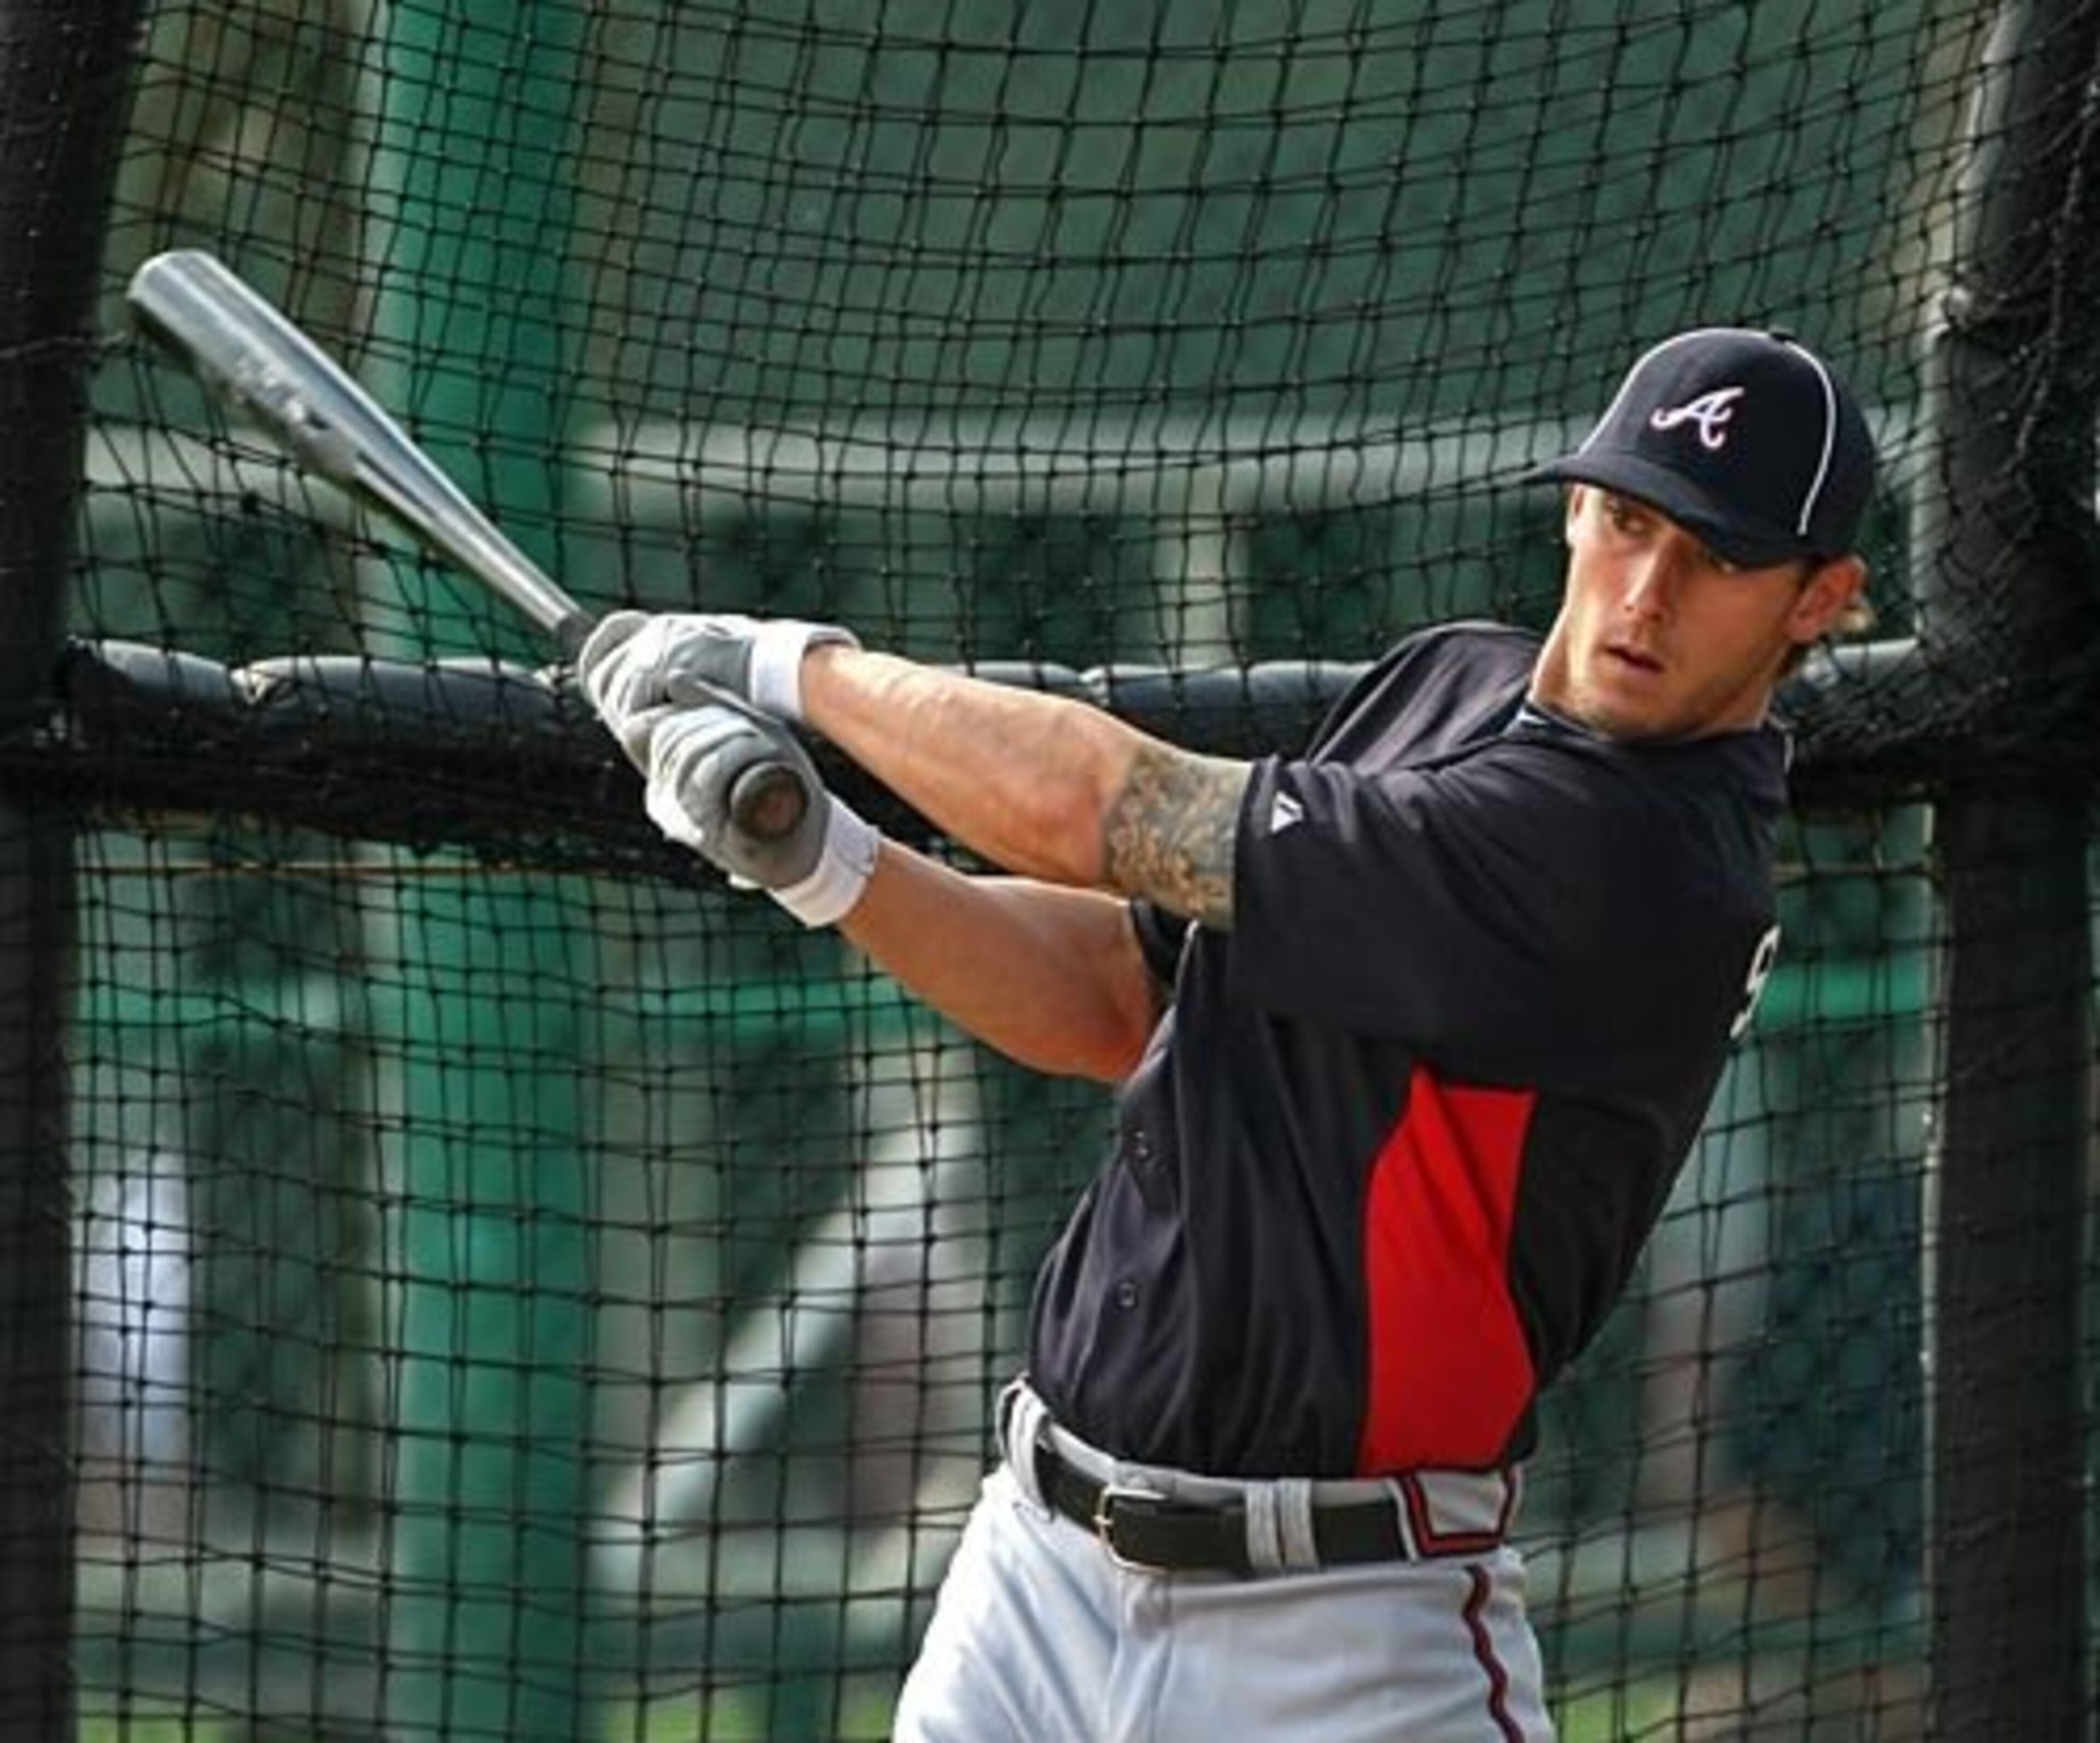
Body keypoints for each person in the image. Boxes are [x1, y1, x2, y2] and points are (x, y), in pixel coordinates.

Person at [576, 325, 1876, 1742]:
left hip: (1340, 1643)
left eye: (1720, 559)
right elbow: (1124, 996)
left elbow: (1109, 815)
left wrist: (786, 666)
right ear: (1575, 506)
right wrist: (824, 860)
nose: (1647, 588)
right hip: (1036, 1573)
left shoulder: (1645, 856)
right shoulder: (1449, 683)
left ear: (1820, 600)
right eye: (1630, 520)